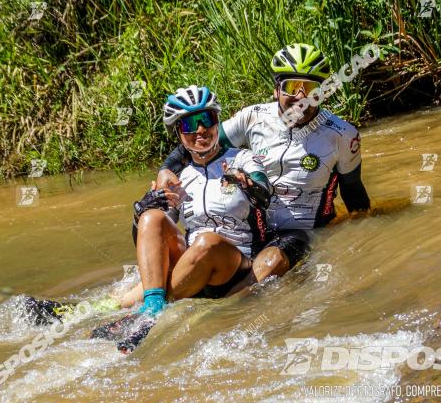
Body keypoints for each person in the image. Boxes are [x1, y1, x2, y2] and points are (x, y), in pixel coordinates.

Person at [157, 43, 370, 284]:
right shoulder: (253, 117)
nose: (301, 97)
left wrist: (362, 237)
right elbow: (201, 142)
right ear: (276, 90)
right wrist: (166, 169)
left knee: (266, 268)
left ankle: (216, 314)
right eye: (291, 87)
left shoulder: (343, 135)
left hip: (302, 232)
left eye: (311, 88)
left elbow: (354, 192)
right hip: (250, 230)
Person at [109, 85, 271, 351]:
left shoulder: (243, 158)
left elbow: (265, 194)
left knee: (207, 242)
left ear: (217, 121)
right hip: (191, 262)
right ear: (178, 133)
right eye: (189, 125)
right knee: (152, 218)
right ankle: (140, 307)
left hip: (233, 261)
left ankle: (145, 309)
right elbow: (150, 239)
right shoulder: (179, 177)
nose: (199, 131)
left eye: (206, 120)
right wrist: (141, 213)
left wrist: (247, 183)